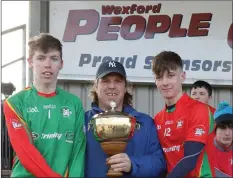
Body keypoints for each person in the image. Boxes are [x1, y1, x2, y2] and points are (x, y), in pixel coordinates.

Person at [3, 33, 86, 177]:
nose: (48, 64)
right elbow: (25, 151)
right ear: (30, 62)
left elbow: (78, 152)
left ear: (61, 63)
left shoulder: (74, 103)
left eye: (54, 58)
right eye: (41, 58)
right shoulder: (14, 103)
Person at [85, 61, 166, 177]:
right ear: (96, 86)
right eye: (105, 81)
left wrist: (133, 164)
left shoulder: (145, 123)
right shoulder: (82, 122)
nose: (112, 86)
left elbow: (159, 164)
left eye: (118, 81)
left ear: (125, 87)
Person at [152, 51, 215, 178]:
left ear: (182, 76)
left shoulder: (198, 109)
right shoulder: (158, 118)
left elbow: (190, 159)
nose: (164, 82)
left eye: (170, 75)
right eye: (159, 77)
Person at [206, 101, 233, 177]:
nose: (227, 133)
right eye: (223, 128)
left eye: (231, 128)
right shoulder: (205, 150)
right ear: (215, 129)